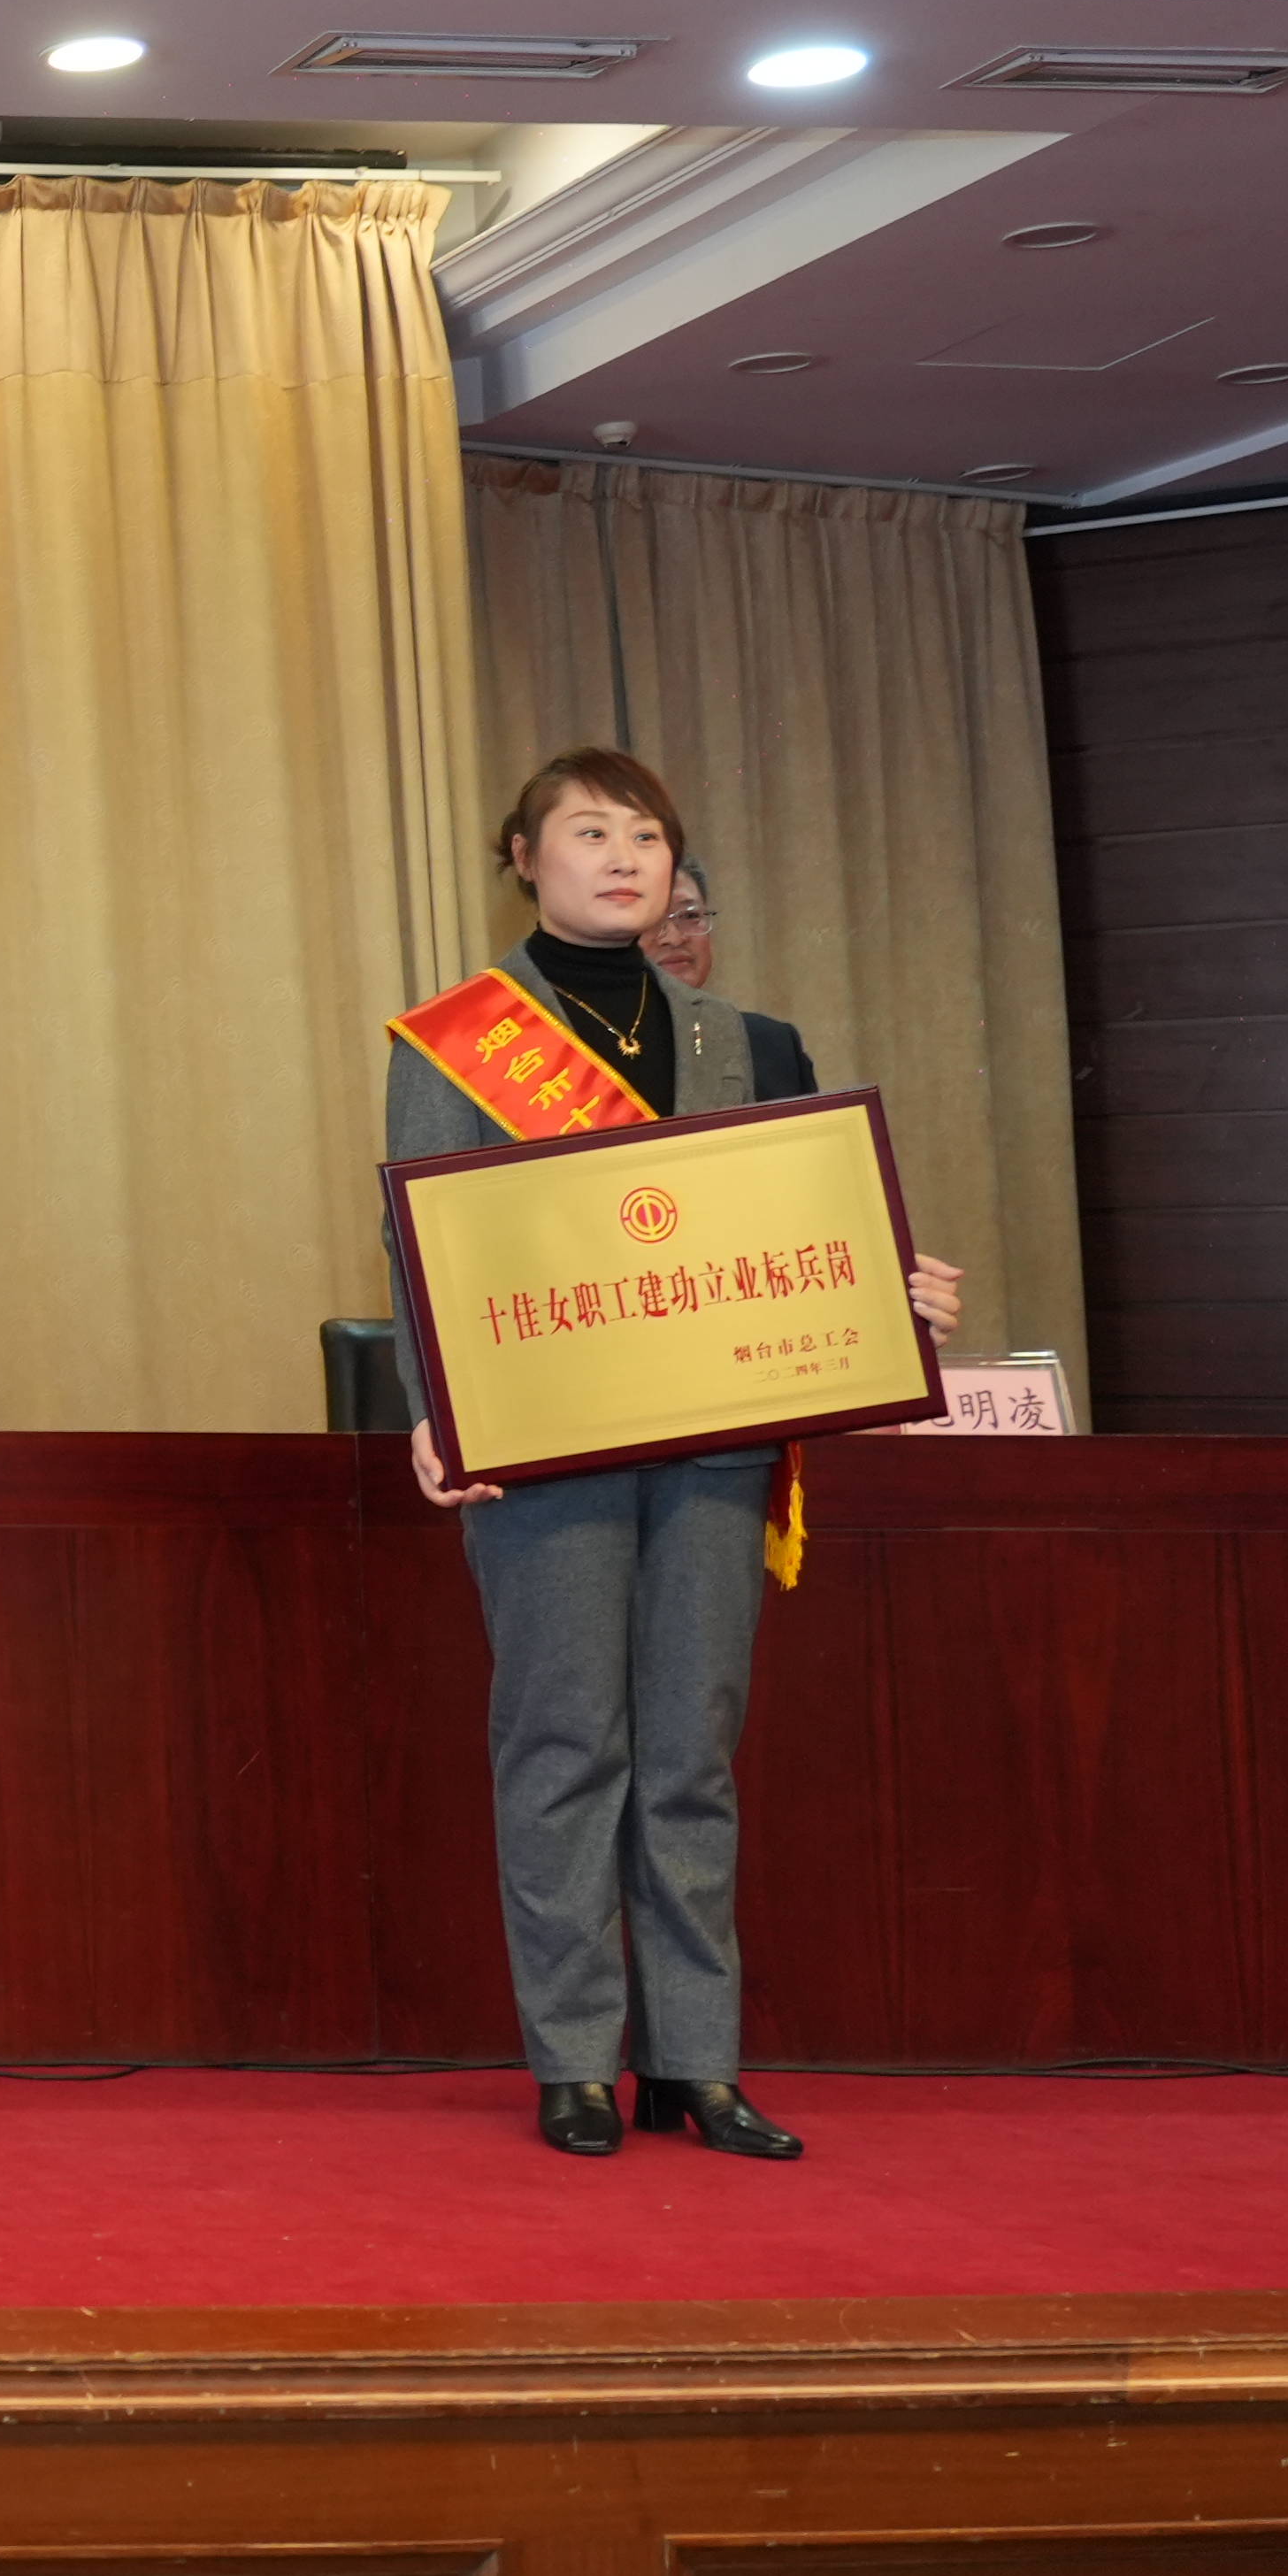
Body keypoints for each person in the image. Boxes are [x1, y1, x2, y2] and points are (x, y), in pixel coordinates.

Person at [396, 750, 955, 2166]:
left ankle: (698, 2063)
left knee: (692, 1753)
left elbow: (800, 1235)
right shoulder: (458, 1043)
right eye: (591, 831)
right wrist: (437, 1412)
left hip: (716, 1447)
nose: (625, 856)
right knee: (567, 1742)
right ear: (523, 853)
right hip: (547, 1446)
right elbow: (422, 1252)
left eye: (647, 834)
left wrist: (889, 1290)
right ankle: (575, 2057)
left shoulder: (752, 1043)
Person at [644, 860, 824, 1101]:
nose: (675, 938)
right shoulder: (593, 1058)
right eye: (654, 920)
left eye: (690, 916)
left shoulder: (772, 1044)